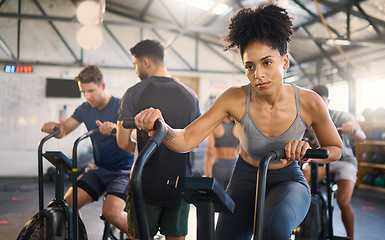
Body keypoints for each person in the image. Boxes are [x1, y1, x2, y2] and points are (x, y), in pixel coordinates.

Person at [132, 2, 343, 240]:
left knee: (272, 227)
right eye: (249, 66)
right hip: (244, 179)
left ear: (285, 61)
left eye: (267, 62)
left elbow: (335, 149)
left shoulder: (309, 101)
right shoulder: (234, 98)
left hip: (288, 180)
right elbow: (187, 139)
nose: (258, 74)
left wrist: (308, 151)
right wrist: (163, 127)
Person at [116, 39, 201, 240]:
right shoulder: (190, 95)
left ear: (146, 62)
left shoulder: (134, 92)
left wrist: (138, 148)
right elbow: (195, 142)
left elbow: (122, 142)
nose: (136, 70)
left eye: (135, 64)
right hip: (180, 184)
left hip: (144, 185)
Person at [41, 65, 134, 236]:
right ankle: (80, 236)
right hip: (98, 170)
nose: (87, 96)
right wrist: (55, 127)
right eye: (83, 91)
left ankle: (144, 235)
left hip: (123, 172)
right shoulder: (85, 109)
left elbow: (135, 137)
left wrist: (116, 129)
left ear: (103, 86)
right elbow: (63, 130)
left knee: (111, 213)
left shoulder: (121, 106)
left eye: (91, 90)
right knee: (66, 205)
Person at [302, 85, 366, 240]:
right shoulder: (307, 119)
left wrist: (353, 128)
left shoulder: (341, 116)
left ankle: (350, 237)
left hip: (344, 161)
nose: (318, 105)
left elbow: (362, 137)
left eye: (322, 101)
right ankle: (305, 224)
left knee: (343, 202)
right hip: (322, 161)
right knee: (306, 174)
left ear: (328, 101)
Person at [204, 116, 239, 189]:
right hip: (234, 165)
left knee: (217, 196)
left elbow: (210, 151)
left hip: (218, 165)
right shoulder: (238, 126)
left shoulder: (215, 126)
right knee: (231, 197)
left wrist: (206, 174)